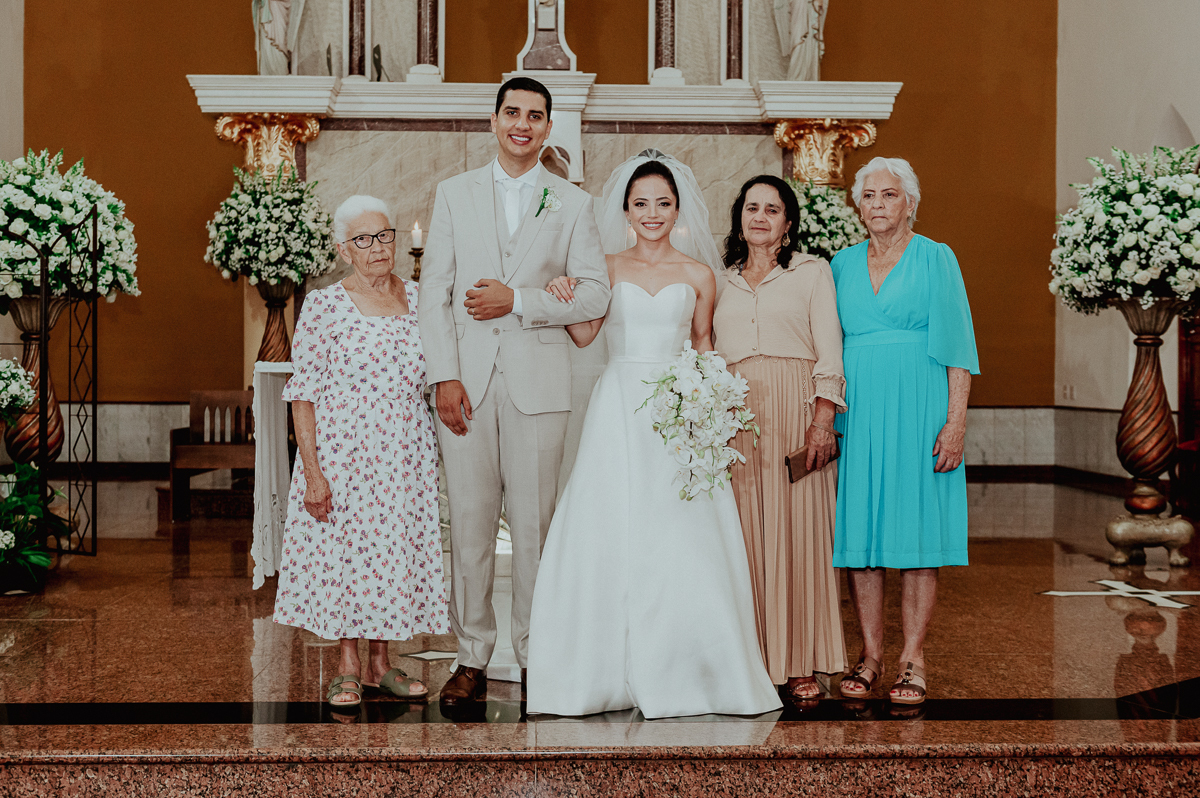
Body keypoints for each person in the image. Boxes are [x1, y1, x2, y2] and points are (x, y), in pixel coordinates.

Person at [525, 152, 782, 719]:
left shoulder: (697, 275)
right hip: (617, 406)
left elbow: (704, 346)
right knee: (607, 525)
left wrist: (709, 407)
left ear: (678, 208)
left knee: (681, 532)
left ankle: (691, 667)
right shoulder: (606, 268)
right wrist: (566, 294)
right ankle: (595, 672)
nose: (652, 213)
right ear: (624, 209)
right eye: (641, 203)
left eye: (663, 203)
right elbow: (586, 336)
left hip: (676, 413)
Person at [418, 76, 611, 709]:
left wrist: (520, 301)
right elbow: (435, 293)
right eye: (512, 113)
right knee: (470, 529)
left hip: (538, 387)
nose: (522, 124)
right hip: (465, 387)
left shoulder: (572, 203)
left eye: (534, 115)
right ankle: (471, 656)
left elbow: (593, 294)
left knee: (535, 529)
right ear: (495, 121)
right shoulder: (453, 194)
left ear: (548, 128)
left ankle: (536, 657)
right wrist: (444, 376)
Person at [273, 195, 448, 709]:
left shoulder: (419, 299)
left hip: (405, 452)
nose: (378, 247)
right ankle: (347, 664)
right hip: (344, 452)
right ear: (343, 249)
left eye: (385, 235)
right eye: (364, 239)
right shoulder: (325, 305)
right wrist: (312, 474)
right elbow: (302, 395)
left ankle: (381, 663)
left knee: (392, 554)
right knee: (348, 557)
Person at [830, 157, 979, 706]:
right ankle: (870, 656)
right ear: (857, 205)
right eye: (868, 196)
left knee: (918, 538)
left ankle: (913, 658)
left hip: (920, 407)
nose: (877, 206)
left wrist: (955, 422)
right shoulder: (840, 265)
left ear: (909, 203)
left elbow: (959, 347)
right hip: (859, 413)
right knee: (862, 537)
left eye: (888, 195)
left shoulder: (937, 258)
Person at [712, 175, 847, 705]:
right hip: (735, 420)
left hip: (796, 412)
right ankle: (750, 657)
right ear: (739, 218)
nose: (760, 217)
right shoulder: (718, 280)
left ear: (789, 224)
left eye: (773, 209)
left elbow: (830, 351)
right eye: (752, 208)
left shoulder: (812, 273)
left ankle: (800, 661)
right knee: (741, 540)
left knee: (800, 537)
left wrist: (822, 420)